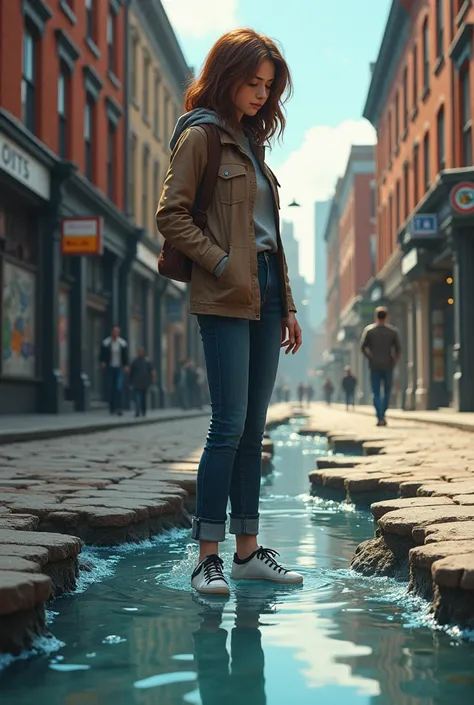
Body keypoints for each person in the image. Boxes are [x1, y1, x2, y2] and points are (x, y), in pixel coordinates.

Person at [156, 29, 303, 595]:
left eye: (269, 86)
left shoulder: (253, 146)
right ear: (227, 76)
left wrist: (287, 304)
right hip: (223, 292)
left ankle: (248, 552)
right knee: (227, 425)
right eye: (253, 82)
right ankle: (207, 557)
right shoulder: (201, 136)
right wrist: (220, 265)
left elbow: (271, 237)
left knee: (253, 430)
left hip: (266, 293)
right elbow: (172, 216)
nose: (262, 94)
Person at [361, 306, 401, 426]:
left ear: (375, 316)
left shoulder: (369, 331)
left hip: (375, 366)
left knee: (376, 392)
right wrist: (394, 361)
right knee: (387, 392)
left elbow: (363, 348)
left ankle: (379, 416)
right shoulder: (392, 332)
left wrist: (370, 357)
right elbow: (398, 349)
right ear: (386, 317)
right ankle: (382, 414)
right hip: (388, 365)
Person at [100, 325, 129, 415]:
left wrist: (126, 365)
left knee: (118, 387)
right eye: (114, 331)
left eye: (117, 331)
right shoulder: (106, 343)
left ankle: (119, 407)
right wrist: (103, 362)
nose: (115, 333)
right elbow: (102, 355)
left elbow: (125, 356)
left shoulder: (122, 343)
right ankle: (112, 407)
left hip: (119, 367)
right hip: (110, 367)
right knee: (111, 387)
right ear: (111, 332)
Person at [129, 347, 155, 417]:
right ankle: (137, 411)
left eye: (141, 352)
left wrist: (151, 380)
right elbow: (131, 372)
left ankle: (143, 411)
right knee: (137, 397)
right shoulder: (135, 361)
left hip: (144, 383)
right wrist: (131, 381)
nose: (140, 353)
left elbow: (151, 371)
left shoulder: (147, 361)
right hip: (136, 382)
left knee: (143, 398)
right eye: (139, 352)